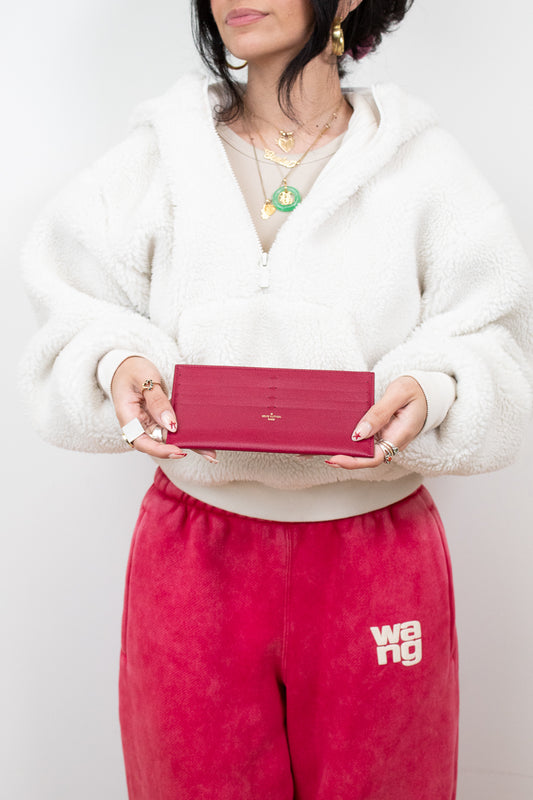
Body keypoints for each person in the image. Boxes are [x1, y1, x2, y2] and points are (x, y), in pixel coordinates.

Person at [19, 1, 533, 798]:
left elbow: (490, 337)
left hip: (374, 556)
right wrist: (117, 359)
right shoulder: (157, 156)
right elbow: (73, 303)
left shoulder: (422, 165)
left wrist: (431, 389)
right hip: (194, 559)